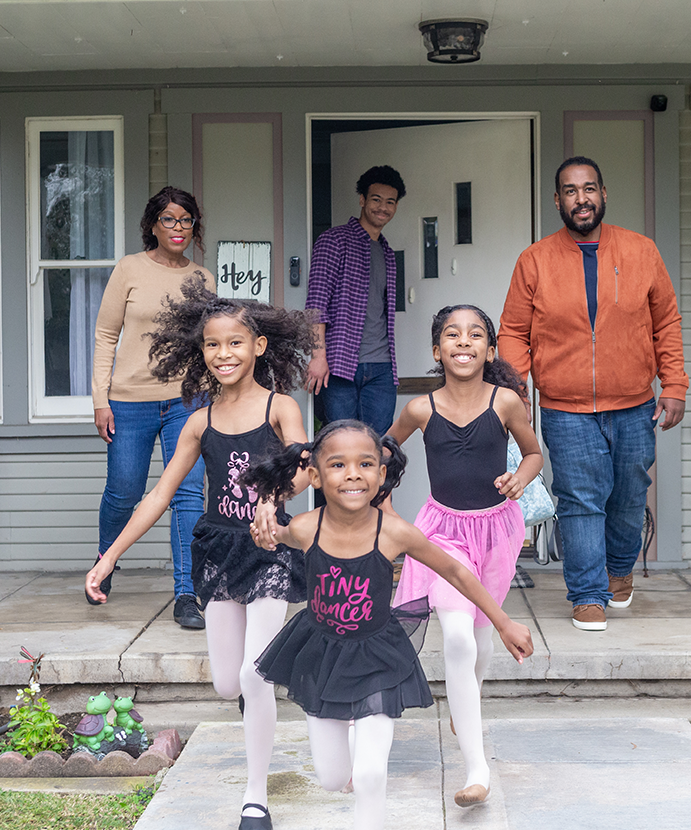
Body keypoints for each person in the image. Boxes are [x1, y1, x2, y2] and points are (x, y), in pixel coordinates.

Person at [85, 280, 316, 830]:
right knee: (227, 683)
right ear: (201, 352)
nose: (224, 354)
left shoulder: (280, 406)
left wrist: (274, 497)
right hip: (217, 551)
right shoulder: (199, 421)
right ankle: (259, 690)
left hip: (270, 549)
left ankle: (255, 797)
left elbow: (305, 464)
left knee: (256, 675)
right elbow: (158, 497)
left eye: (236, 343)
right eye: (213, 345)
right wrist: (109, 556)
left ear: (259, 346)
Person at [245, 420, 533, 830]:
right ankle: (344, 747)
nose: (352, 475)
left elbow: (455, 571)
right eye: (338, 465)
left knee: (369, 775)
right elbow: (272, 535)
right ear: (314, 475)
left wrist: (503, 622)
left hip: (379, 659)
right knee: (331, 779)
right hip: (322, 654)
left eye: (365, 464)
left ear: (381, 474)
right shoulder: (307, 528)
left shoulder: (395, 532)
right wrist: (264, 531)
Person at [498, 156, 688, 632]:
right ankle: (586, 594)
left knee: (628, 495)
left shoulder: (642, 251)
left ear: (603, 194)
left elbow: (666, 322)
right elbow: (513, 333)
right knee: (580, 498)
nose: (579, 199)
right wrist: (516, 391)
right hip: (566, 407)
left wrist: (676, 385)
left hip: (635, 403)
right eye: (569, 191)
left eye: (588, 189)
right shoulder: (535, 260)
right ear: (557, 200)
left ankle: (619, 570)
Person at [387, 304, 543, 807]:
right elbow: (383, 454)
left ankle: (465, 704)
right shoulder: (420, 409)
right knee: (456, 634)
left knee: (480, 638)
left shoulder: (506, 403)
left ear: (490, 350)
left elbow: (535, 453)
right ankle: (477, 769)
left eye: (476, 335)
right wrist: (386, 515)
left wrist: (520, 477)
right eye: (451, 334)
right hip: (442, 532)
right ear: (437, 351)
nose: (463, 341)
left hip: (497, 532)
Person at [90, 186, 216, 629]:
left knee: (186, 494)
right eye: (169, 219)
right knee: (124, 491)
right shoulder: (129, 269)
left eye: (186, 220)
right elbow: (106, 335)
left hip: (188, 400)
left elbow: (210, 344)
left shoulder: (202, 278)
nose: (178, 228)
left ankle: (186, 593)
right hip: (128, 402)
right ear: (153, 226)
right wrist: (99, 399)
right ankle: (105, 562)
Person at [304, 165, 406, 436]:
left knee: (378, 446)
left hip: (383, 366)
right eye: (375, 199)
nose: (382, 207)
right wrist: (318, 356)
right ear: (362, 200)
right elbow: (316, 304)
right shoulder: (333, 240)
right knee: (340, 442)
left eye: (390, 202)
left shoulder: (387, 251)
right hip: (340, 364)